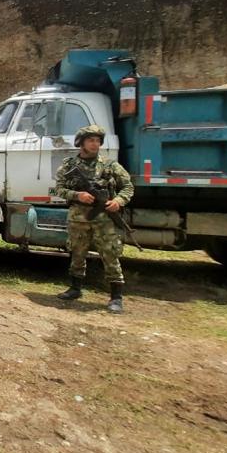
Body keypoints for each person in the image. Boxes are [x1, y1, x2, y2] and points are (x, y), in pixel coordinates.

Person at [54, 125, 134, 313]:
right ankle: (75, 288)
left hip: (104, 218)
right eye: (91, 140)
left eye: (98, 141)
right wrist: (76, 195)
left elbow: (128, 186)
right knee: (77, 253)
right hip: (78, 218)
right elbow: (58, 189)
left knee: (110, 253)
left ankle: (116, 297)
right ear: (81, 142)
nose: (95, 144)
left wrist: (118, 201)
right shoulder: (68, 165)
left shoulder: (110, 165)